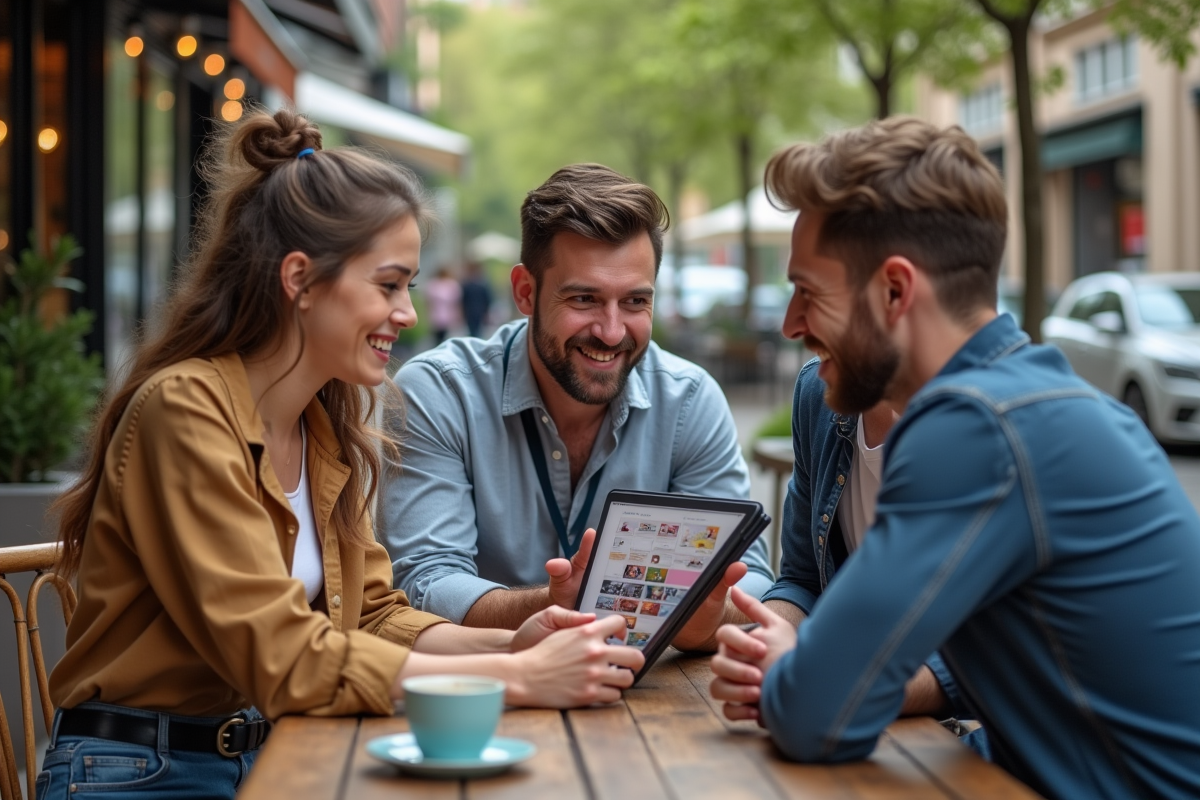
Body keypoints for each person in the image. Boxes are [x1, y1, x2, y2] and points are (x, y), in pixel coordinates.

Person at [42, 110, 641, 800]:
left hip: (270, 754)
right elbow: (282, 656)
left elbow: (374, 614)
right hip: (138, 774)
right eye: (388, 285)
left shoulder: (323, 425)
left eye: (410, 287)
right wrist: (519, 678)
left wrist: (517, 646)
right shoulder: (185, 410)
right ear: (299, 278)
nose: (408, 313)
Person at [709, 117, 1200, 799]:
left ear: (894, 291)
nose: (791, 323)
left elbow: (817, 716)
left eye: (809, 292)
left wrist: (795, 667)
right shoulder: (1029, 401)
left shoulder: (976, 425)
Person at [380, 164, 773, 649]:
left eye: (634, 302)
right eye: (584, 298)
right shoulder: (440, 393)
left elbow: (751, 579)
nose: (611, 332)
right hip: (484, 688)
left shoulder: (689, 401)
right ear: (525, 291)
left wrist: (707, 614)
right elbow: (423, 582)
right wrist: (553, 604)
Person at [423, 266, 461, 344]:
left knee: (444, 335)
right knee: (439, 336)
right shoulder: (435, 284)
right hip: (439, 313)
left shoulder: (449, 284)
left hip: (444, 313)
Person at [460, 260, 494, 337]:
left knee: (475, 330)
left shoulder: (469, 285)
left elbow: (487, 299)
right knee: (475, 330)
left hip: (474, 311)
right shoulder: (480, 285)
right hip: (474, 311)